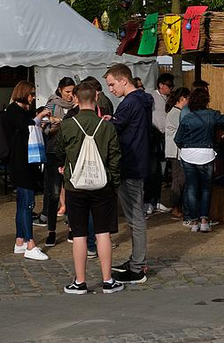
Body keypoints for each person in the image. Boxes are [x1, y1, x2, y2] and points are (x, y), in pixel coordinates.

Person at [56, 82, 122, 294]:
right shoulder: (107, 126)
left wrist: (65, 167)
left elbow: (56, 150)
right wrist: (114, 181)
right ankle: (108, 280)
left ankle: (80, 282)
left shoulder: (68, 124)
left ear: (76, 98)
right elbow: (115, 158)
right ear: (96, 98)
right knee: (103, 233)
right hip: (103, 185)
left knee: (80, 235)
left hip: (75, 186)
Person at [106, 63, 154, 284]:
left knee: (135, 217)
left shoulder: (130, 103)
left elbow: (115, 130)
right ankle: (136, 260)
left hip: (130, 164)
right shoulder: (143, 99)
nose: (111, 90)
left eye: (112, 84)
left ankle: (137, 266)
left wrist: (108, 124)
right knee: (135, 216)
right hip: (137, 161)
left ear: (124, 80)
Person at [175, 88, 224, 233]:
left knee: (191, 187)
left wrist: (186, 147)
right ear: (206, 101)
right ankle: (204, 221)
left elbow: (178, 139)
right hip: (207, 154)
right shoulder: (212, 115)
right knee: (205, 188)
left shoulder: (186, 118)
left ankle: (194, 221)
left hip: (188, 154)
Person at [3, 81, 51, 261]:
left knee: (22, 203)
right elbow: (28, 127)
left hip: (22, 163)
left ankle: (20, 240)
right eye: (31, 94)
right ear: (23, 94)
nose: (32, 97)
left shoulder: (17, 112)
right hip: (22, 163)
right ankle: (30, 243)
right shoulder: (15, 112)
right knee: (27, 204)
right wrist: (40, 118)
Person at [40, 77, 75, 247]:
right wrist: (59, 124)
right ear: (60, 90)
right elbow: (45, 128)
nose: (70, 95)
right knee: (54, 193)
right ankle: (51, 231)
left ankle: (71, 228)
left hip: (70, 153)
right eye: (67, 92)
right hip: (54, 152)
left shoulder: (76, 105)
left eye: (72, 91)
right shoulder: (52, 104)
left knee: (71, 192)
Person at [146, 73, 175, 216]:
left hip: (166, 138)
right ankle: (148, 202)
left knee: (161, 171)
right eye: (169, 86)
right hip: (153, 138)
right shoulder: (151, 97)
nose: (171, 88)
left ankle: (156, 201)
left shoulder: (170, 99)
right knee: (152, 170)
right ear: (161, 85)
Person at [165, 87, 190, 220]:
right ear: (182, 99)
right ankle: (175, 206)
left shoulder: (176, 112)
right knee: (179, 180)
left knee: (179, 179)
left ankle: (177, 206)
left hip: (177, 151)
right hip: (176, 152)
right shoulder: (176, 113)